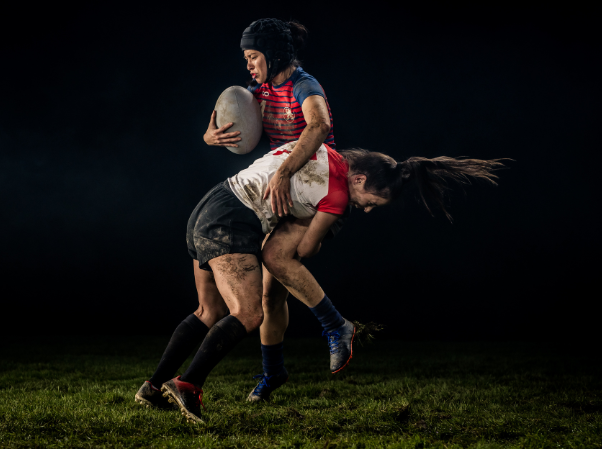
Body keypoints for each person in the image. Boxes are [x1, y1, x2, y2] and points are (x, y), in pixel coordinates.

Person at [134, 140, 505, 424]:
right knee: (248, 313)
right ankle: (188, 384)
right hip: (231, 221)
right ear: (359, 179)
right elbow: (303, 251)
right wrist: (320, 222)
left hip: (211, 203)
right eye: (372, 201)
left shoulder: (322, 150)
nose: (368, 210)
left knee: (208, 310)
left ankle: (152, 387)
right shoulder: (340, 196)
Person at [203, 18, 349, 403]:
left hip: (315, 191)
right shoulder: (260, 92)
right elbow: (227, 120)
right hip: (283, 195)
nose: (249, 65)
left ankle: (337, 327)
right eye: (246, 58)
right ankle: (274, 373)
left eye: (253, 56)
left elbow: (319, 125)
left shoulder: (304, 84)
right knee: (271, 297)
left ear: (274, 54)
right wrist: (211, 135)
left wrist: (284, 171)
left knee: (276, 257)